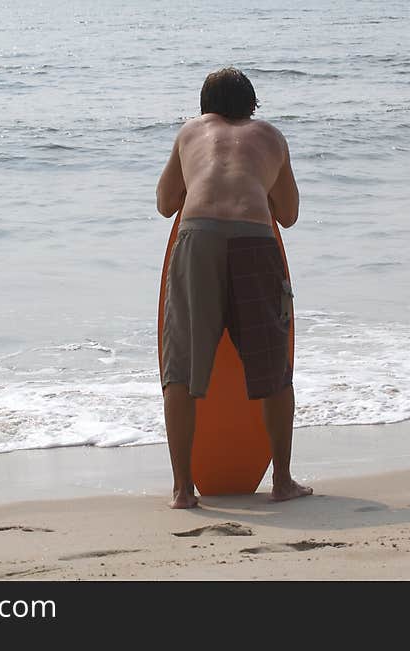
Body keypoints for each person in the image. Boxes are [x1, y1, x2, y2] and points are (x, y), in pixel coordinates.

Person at [156, 67, 312, 508]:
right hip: (255, 238)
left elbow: (166, 203)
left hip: (197, 237)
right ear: (252, 106)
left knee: (182, 369)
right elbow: (289, 214)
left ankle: (183, 489)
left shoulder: (190, 133)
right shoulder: (271, 137)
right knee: (273, 366)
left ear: (204, 106)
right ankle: (282, 481)